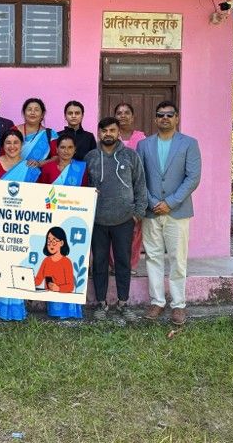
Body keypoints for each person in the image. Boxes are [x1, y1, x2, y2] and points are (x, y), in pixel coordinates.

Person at [137, 101, 201, 326]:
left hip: (178, 211)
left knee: (177, 258)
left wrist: (170, 203)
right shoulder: (144, 145)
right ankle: (157, 301)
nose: (165, 118)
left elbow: (193, 177)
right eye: (160, 115)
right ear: (155, 119)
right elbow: (139, 177)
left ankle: (178, 305)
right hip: (152, 210)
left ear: (177, 118)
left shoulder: (189, 144)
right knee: (153, 257)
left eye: (169, 115)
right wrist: (153, 202)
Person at [85, 116, 147, 323]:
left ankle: (123, 303)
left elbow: (140, 185)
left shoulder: (130, 156)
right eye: (104, 131)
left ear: (118, 132)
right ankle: (101, 304)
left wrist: (137, 213)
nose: (108, 134)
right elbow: (83, 186)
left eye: (112, 130)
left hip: (124, 220)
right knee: (99, 263)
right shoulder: (91, 157)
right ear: (99, 133)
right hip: (98, 220)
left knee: (123, 262)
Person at [36, 134, 86, 319]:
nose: (66, 151)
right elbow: (39, 192)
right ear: (56, 150)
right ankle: (55, 308)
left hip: (74, 222)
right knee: (54, 262)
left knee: (71, 261)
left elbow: (85, 193)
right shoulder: (48, 168)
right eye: (62, 147)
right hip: (52, 221)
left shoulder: (80, 168)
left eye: (70, 147)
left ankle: (72, 308)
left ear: (75, 150)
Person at [0, 129, 28, 321]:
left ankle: (15, 307)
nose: (12, 146)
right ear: (2, 145)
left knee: (17, 263)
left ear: (21, 145)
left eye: (16, 143)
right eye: (8, 143)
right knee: (0, 264)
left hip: (21, 224)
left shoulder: (29, 167)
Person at [113, 102, 148, 276]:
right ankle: (114, 265)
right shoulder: (111, 136)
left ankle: (131, 264)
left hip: (135, 191)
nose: (123, 115)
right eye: (119, 113)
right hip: (113, 192)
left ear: (133, 117)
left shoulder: (142, 139)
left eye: (127, 112)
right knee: (113, 229)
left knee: (134, 230)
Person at [8, 98, 58, 181]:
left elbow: (57, 157)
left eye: (36, 110)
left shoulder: (50, 135)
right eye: (29, 109)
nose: (32, 112)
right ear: (24, 113)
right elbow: (4, 154)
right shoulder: (13, 131)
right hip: (14, 175)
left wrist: (39, 163)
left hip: (38, 179)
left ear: (42, 114)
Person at [34, 227, 74, 293]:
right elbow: (38, 281)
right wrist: (27, 280)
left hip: (63, 297)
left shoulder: (66, 262)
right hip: (48, 296)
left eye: (54, 241)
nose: (51, 245)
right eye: (48, 241)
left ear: (61, 243)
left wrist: (59, 288)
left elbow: (70, 286)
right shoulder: (46, 261)